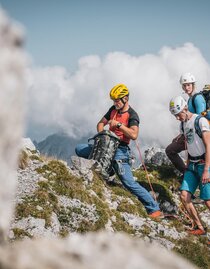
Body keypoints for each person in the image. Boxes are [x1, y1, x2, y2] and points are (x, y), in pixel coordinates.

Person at [75, 83, 162, 218]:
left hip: (120, 150)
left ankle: (154, 208)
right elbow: (100, 123)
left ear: (125, 99)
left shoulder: (132, 115)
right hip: (105, 146)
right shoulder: (113, 109)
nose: (115, 103)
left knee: (128, 182)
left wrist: (119, 125)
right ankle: (109, 169)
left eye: (117, 100)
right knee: (79, 149)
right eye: (113, 101)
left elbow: (134, 135)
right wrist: (102, 136)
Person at [169, 95, 210, 235]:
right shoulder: (183, 124)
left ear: (185, 108)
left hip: (204, 164)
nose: (177, 118)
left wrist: (206, 170)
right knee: (184, 195)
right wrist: (187, 165)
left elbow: (208, 145)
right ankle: (200, 227)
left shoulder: (201, 121)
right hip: (192, 164)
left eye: (178, 114)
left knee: (208, 200)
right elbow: (189, 144)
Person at [166, 73, 206, 174]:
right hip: (189, 132)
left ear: (193, 84)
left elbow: (199, 119)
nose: (186, 87)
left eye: (188, 85)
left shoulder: (197, 98)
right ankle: (188, 174)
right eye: (184, 85)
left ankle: (187, 174)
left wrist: (185, 134)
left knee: (170, 150)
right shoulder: (190, 99)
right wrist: (181, 134)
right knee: (172, 148)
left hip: (197, 135)